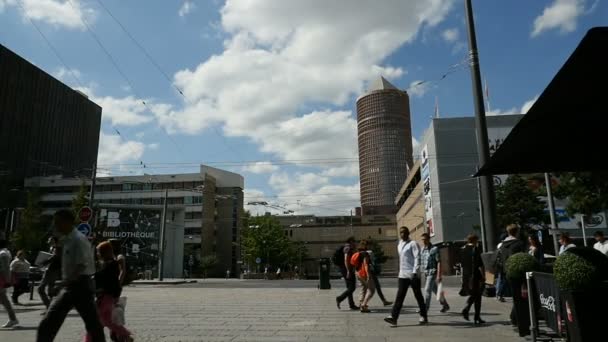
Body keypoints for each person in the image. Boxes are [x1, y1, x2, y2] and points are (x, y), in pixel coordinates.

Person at [37, 209, 105, 342]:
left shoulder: (78, 239)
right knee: (48, 324)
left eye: (58, 222)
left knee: (92, 324)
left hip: (80, 286)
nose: (55, 225)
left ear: (67, 222)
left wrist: (62, 284)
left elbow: (81, 266)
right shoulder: (67, 239)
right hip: (72, 287)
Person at [85, 241, 133, 342]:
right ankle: (126, 335)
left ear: (104, 252)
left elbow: (102, 280)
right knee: (108, 321)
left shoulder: (108, 266)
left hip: (103, 299)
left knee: (93, 323)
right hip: (110, 299)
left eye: (98, 252)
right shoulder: (112, 264)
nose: (97, 254)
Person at [384, 227, 427, 326]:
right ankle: (393, 317)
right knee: (399, 297)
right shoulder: (400, 244)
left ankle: (423, 316)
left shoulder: (413, 244)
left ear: (408, 233)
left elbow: (417, 257)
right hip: (403, 274)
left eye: (404, 232)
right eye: (401, 233)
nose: (402, 234)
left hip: (413, 274)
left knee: (418, 296)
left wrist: (415, 272)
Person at [494, 224, 526, 302]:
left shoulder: (502, 245)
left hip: (505, 267)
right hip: (516, 269)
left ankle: (499, 295)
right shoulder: (519, 243)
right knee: (517, 289)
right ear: (517, 232)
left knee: (504, 282)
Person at [460, 234, 485, 325]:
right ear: (474, 240)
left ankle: (476, 316)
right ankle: (468, 309)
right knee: (477, 295)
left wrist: (462, 277)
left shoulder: (462, 249)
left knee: (476, 295)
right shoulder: (476, 249)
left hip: (466, 275)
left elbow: (462, 265)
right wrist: (484, 276)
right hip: (475, 275)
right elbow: (480, 264)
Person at [420, 233, 450, 313]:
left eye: (425, 239)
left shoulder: (434, 249)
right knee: (436, 291)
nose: (424, 241)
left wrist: (439, 275)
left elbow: (439, 262)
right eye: (422, 239)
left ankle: (425, 309)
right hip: (426, 273)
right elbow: (422, 262)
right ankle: (445, 305)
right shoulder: (422, 249)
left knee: (427, 290)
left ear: (429, 239)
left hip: (433, 272)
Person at [39, 237, 62, 310]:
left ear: (54, 241)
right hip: (50, 270)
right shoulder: (52, 248)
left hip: (52, 271)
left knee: (41, 289)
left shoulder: (58, 248)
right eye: (48, 240)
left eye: (50, 240)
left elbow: (54, 257)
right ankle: (51, 308)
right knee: (50, 290)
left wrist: (44, 262)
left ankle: (49, 307)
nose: (48, 241)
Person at [335, 237, 358, 311]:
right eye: (354, 241)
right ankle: (339, 298)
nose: (355, 243)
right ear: (351, 241)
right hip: (347, 269)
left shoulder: (349, 248)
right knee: (352, 287)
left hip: (346, 269)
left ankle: (351, 305)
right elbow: (346, 260)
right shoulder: (347, 248)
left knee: (349, 288)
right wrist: (348, 271)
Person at [0, 237, 18, 328]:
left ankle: (13, 319)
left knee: (4, 299)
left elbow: (6, 267)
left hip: (1, 277)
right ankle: (13, 319)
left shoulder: (3, 253)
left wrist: (7, 280)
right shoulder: (4, 252)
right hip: (2, 277)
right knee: (3, 300)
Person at [352, 240, 374, 313]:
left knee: (363, 288)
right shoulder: (365, 254)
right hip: (363, 273)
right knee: (371, 290)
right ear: (365, 246)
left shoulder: (357, 253)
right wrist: (368, 275)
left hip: (357, 273)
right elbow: (365, 264)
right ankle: (364, 305)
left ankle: (361, 303)